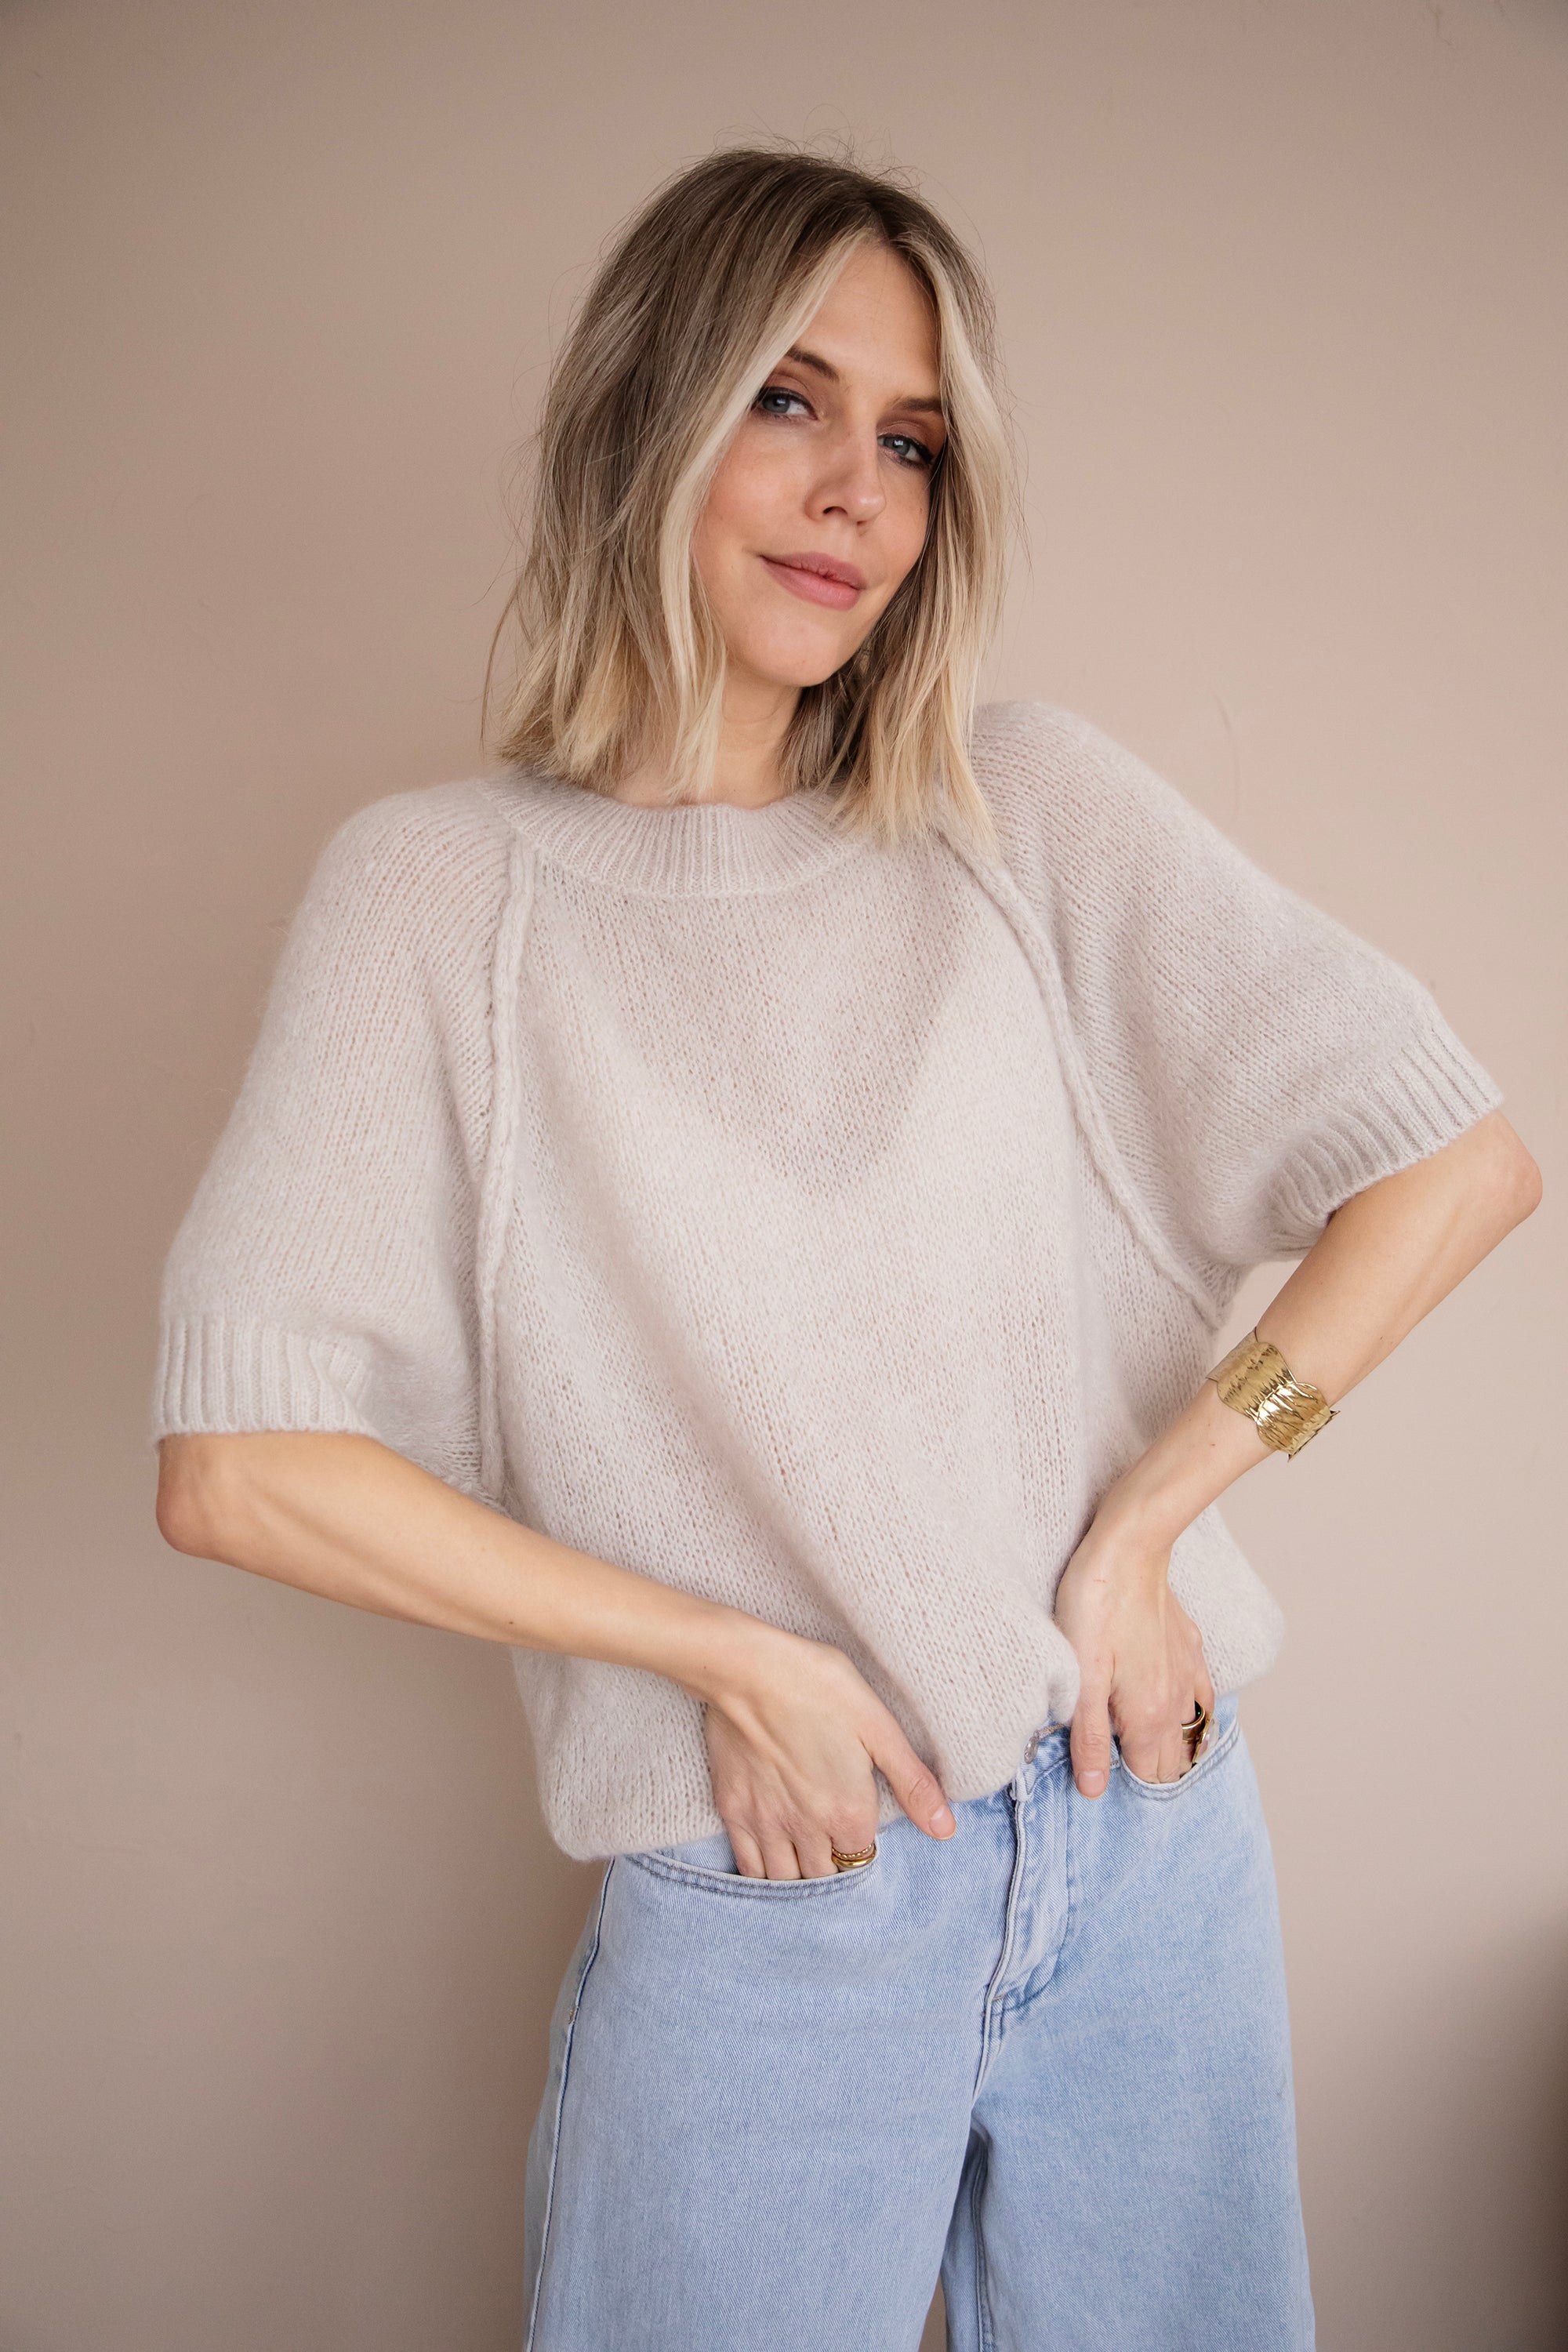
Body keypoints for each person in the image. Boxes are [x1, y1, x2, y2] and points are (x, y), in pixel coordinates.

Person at [151, 147, 1540, 2352]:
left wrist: (1154, 1523)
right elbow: (239, 1467)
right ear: (647, 416)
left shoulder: (1020, 815)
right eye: (789, 402)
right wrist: (727, 1656)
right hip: (785, 1882)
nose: (854, 497)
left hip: (1146, 1834)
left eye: (913, 443)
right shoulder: (442, 899)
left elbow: (1456, 1166)